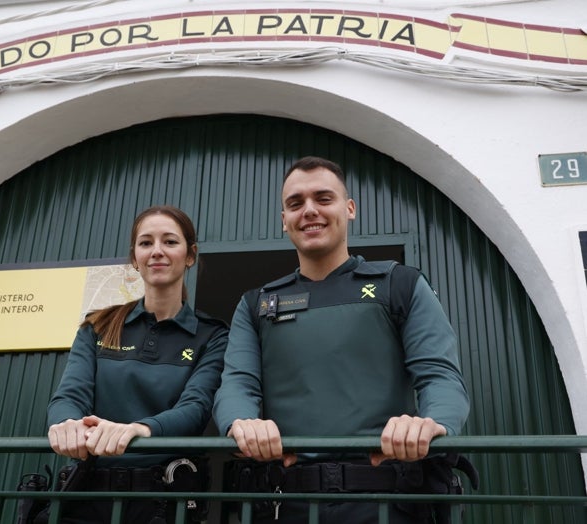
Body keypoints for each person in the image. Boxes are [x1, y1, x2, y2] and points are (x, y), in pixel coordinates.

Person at [212, 156, 471, 523]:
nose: (309, 211)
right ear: (283, 219)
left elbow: (440, 376)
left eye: (323, 198)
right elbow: (237, 382)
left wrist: (434, 422)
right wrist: (240, 421)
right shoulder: (255, 304)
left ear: (349, 208)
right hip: (288, 504)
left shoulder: (401, 285)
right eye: (295, 203)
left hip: (389, 501)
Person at [41, 205, 228, 524]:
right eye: (146, 243)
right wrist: (66, 422)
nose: (157, 251)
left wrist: (137, 430)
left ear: (190, 255)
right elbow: (69, 396)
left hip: (164, 501)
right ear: (134, 258)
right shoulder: (98, 325)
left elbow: (195, 408)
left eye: (169, 242)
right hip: (86, 495)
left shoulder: (212, 336)